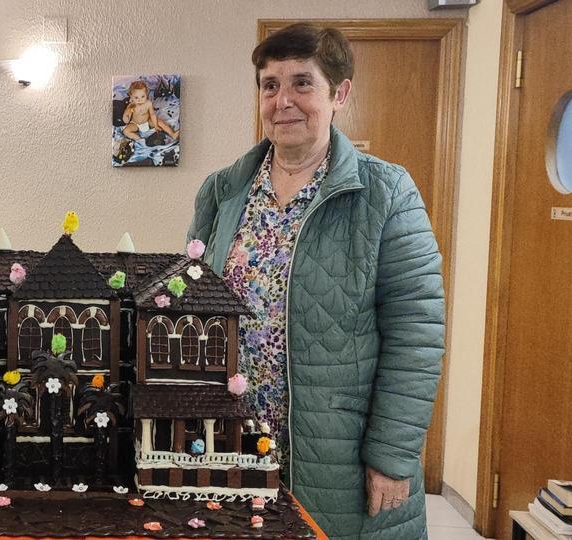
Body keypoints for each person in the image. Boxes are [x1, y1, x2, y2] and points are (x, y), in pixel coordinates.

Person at [187, 23, 444, 539]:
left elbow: (416, 335)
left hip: (335, 451)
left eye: (302, 83)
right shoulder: (223, 191)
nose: (283, 100)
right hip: (231, 442)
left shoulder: (386, 193)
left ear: (339, 93)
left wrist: (392, 454)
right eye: (270, 85)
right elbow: (191, 310)